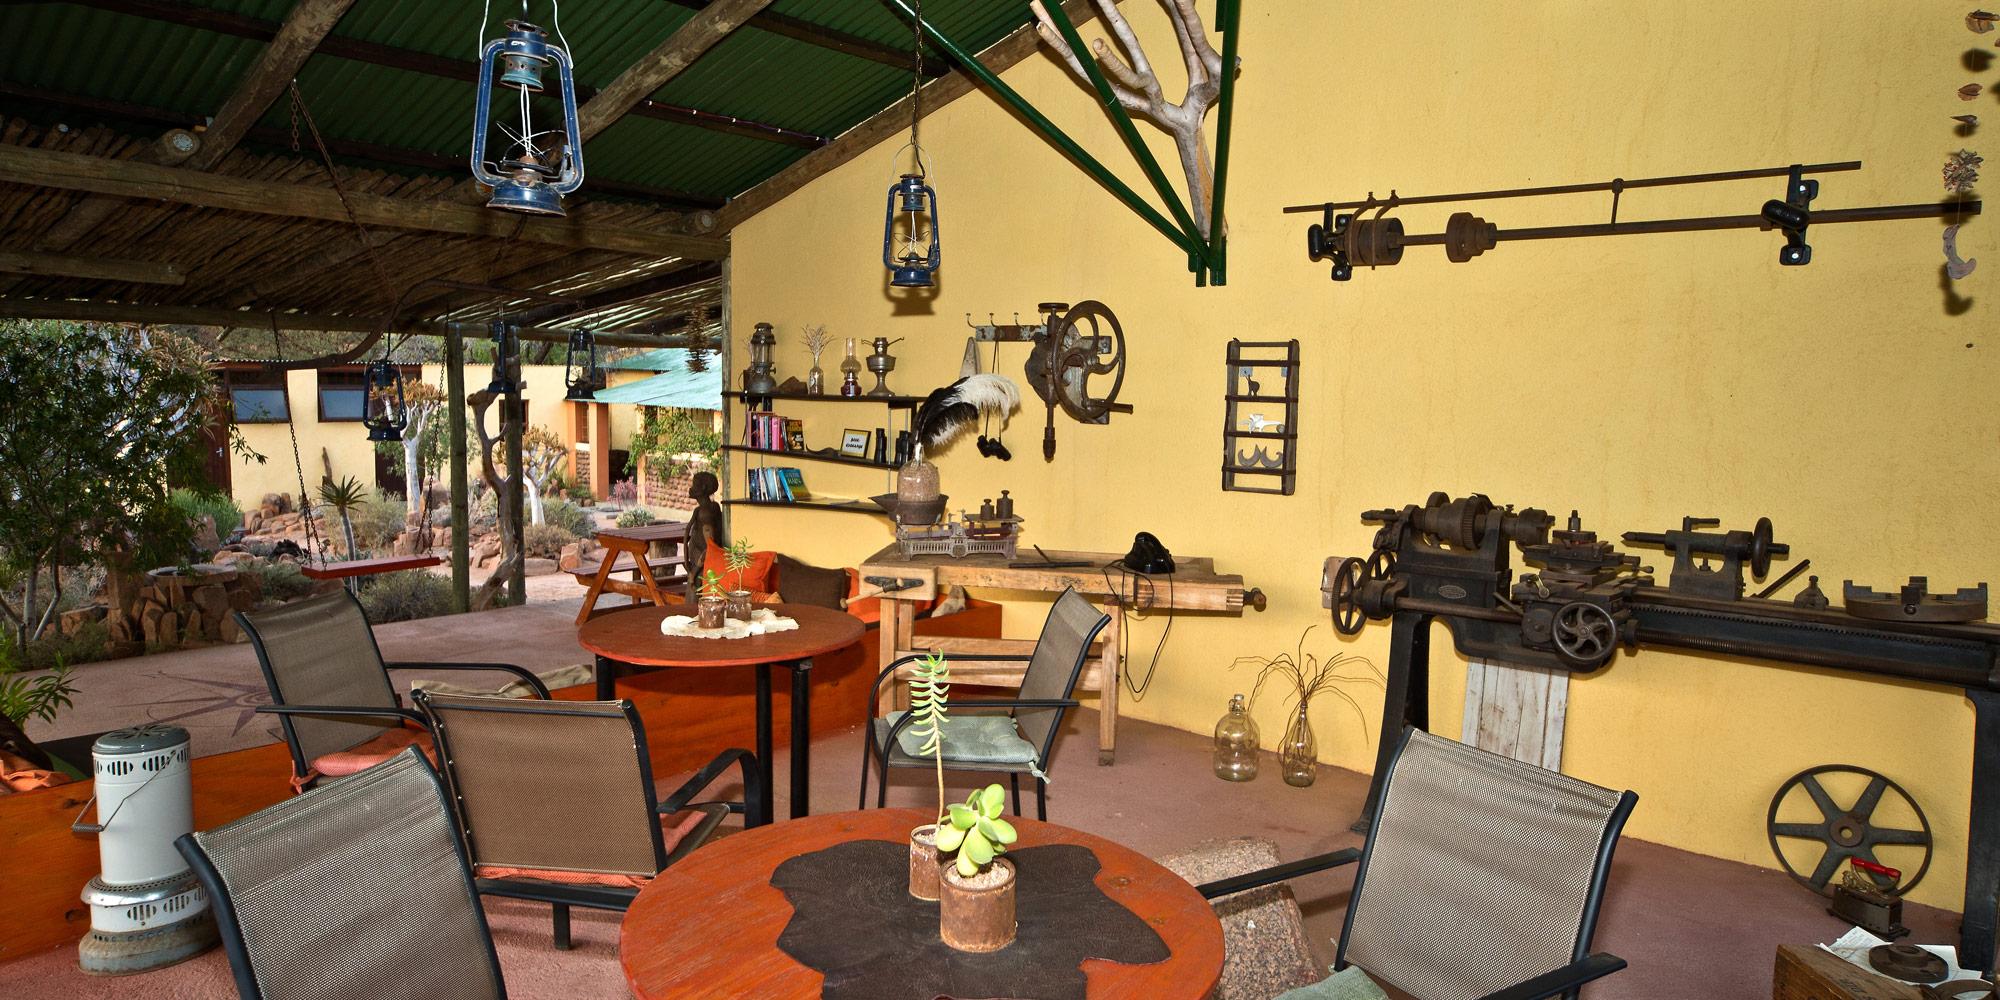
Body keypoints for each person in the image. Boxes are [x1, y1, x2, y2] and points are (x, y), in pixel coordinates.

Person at [683, 471, 726, 601]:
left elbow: (710, 546)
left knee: (694, 602)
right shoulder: (702, 510)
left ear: (702, 488)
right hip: (697, 566)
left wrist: (693, 572)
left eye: (694, 484)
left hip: (701, 568)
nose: (691, 488)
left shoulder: (706, 513)